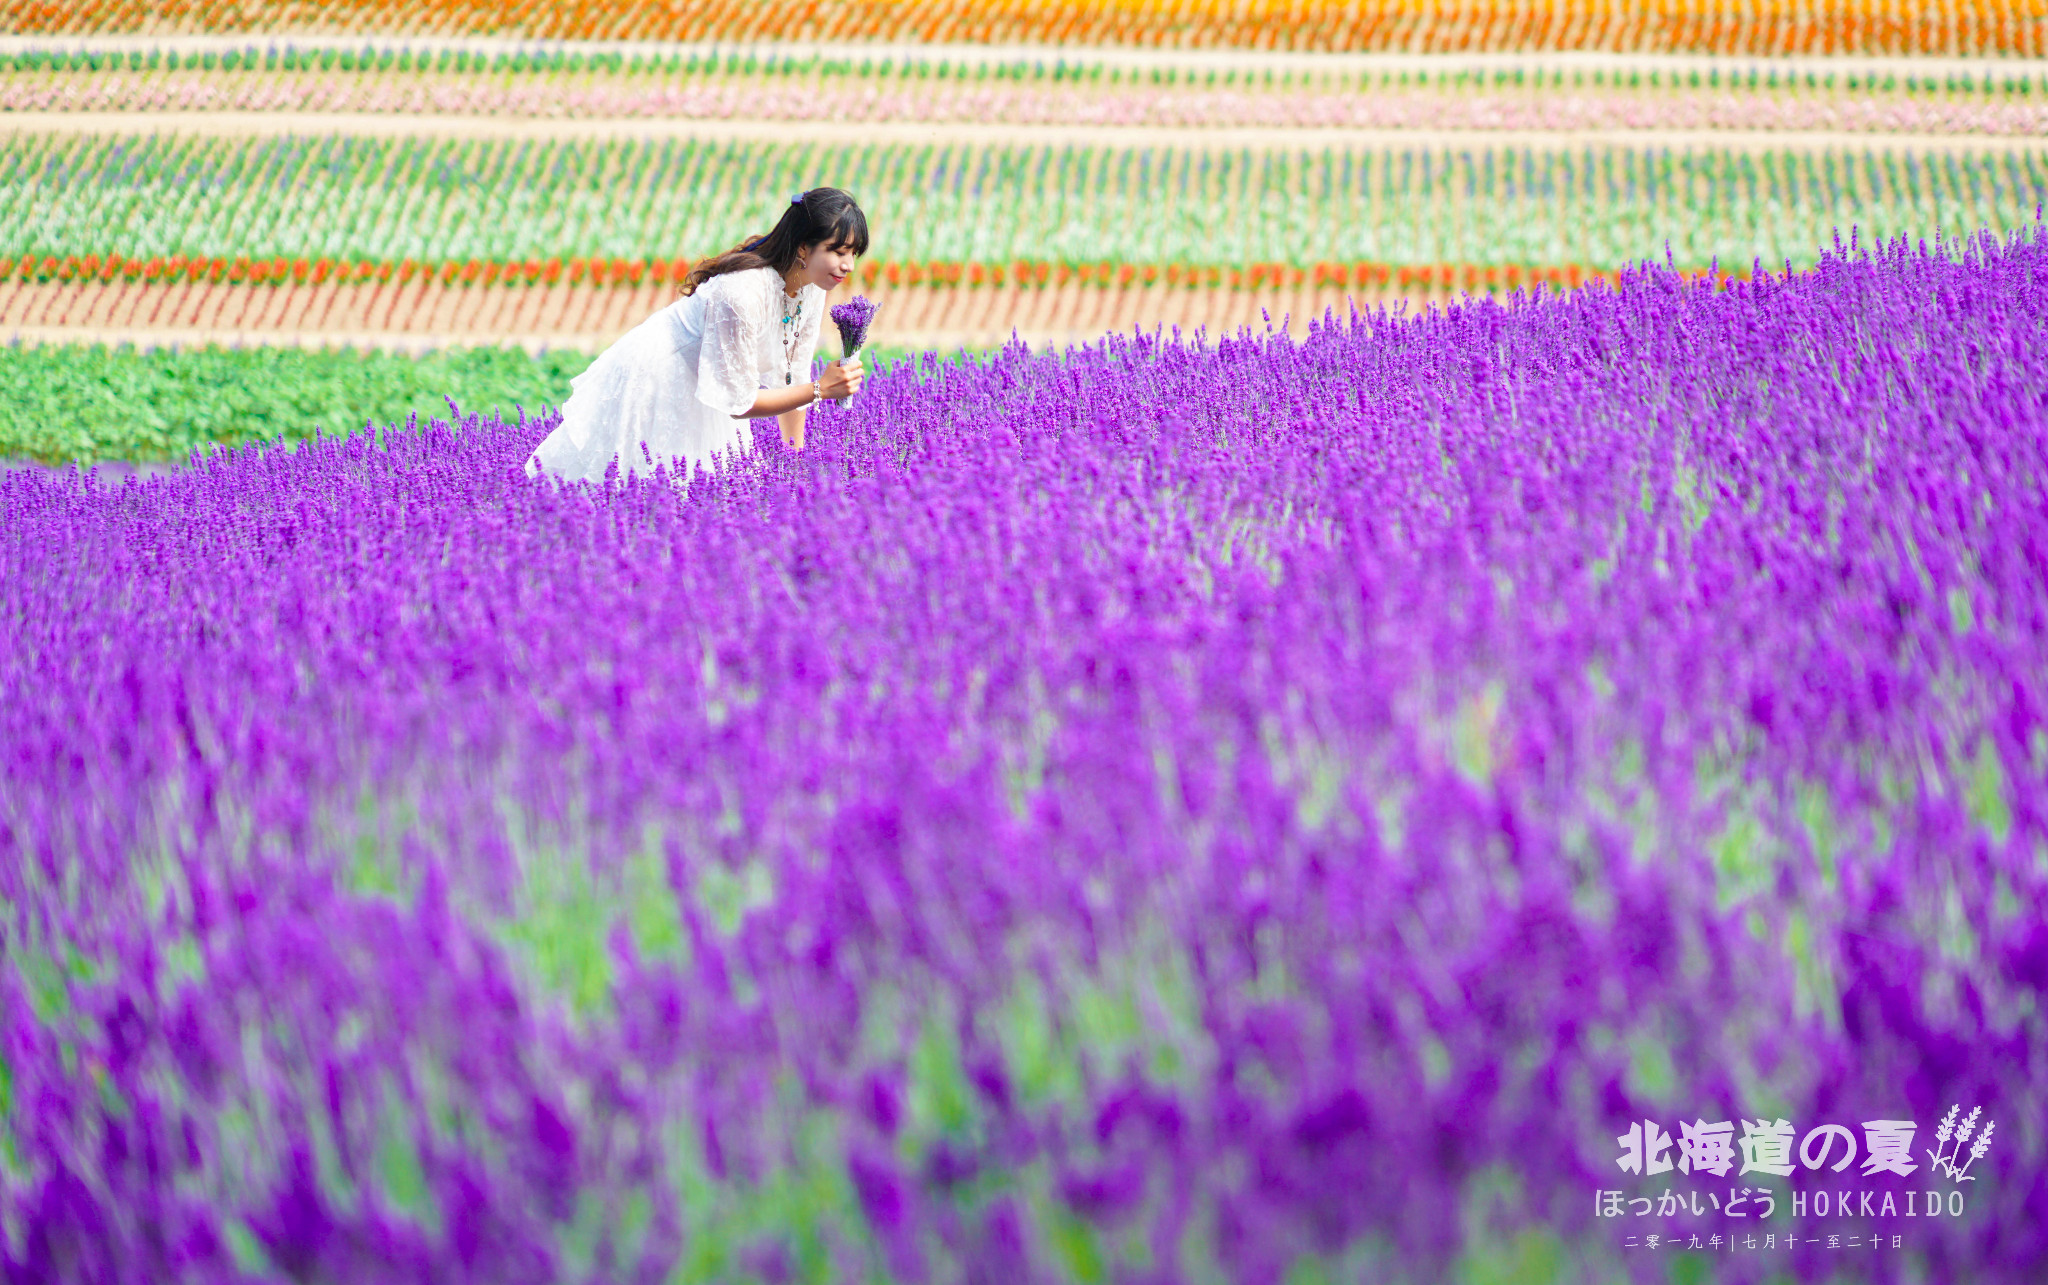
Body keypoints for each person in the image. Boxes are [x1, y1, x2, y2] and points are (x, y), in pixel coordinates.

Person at [526, 188, 868, 483]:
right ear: (804, 248)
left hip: (709, 385)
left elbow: (794, 374)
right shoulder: (741, 294)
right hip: (658, 376)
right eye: (838, 252)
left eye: (853, 254)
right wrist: (822, 390)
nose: (848, 265)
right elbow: (740, 403)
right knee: (641, 489)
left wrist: (793, 460)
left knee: (716, 494)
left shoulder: (810, 287)